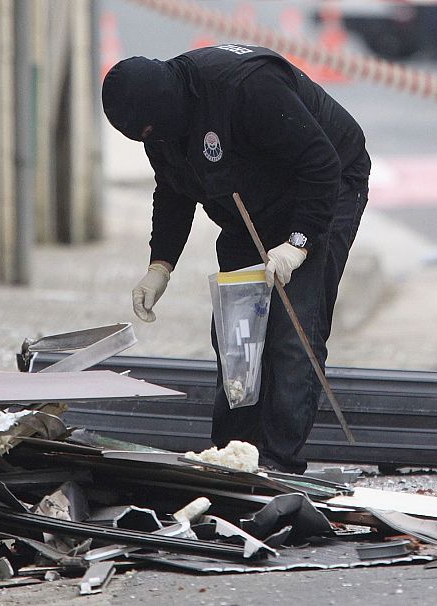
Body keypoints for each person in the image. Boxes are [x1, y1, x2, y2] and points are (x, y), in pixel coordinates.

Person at [102, 44, 370, 474]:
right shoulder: (161, 127)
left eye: (151, 131)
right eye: (143, 136)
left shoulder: (247, 88)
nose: (150, 140)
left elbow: (321, 164)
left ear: (167, 108)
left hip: (324, 186)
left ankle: (279, 462)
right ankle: (233, 452)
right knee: (238, 332)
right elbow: (173, 190)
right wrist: (160, 265)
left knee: (291, 330)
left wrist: (298, 244)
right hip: (250, 202)